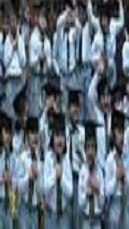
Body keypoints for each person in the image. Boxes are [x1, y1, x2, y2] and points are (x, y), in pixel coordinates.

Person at [88, 0, 124, 90]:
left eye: (105, 18)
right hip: (100, 66)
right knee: (92, 91)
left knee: (111, 89)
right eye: (102, 17)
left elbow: (122, 22)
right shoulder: (98, 27)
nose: (104, 20)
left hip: (111, 65)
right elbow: (90, 17)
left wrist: (120, 1)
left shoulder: (113, 25)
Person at [43, 112, 73, 229]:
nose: (60, 140)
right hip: (50, 214)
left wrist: (61, 178)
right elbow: (44, 188)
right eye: (56, 136)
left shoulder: (66, 160)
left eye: (62, 136)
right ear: (52, 139)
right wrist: (55, 175)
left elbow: (70, 192)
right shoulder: (48, 158)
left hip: (64, 213)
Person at [16, 115, 43, 229]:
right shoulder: (22, 158)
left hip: (36, 208)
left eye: (36, 132)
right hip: (24, 207)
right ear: (27, 136)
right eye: (32, 133)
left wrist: (38, 176)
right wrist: (29, 177)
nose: (35, 136)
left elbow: (42, 189)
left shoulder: (41, 160)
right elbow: (19, 187)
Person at [105, 109, 129, 229]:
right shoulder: (110, 159)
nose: (122, 136)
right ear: (113, 135)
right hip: (114, 204)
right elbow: (107, 191)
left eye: (123, 132)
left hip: (126, 202)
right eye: (119, 132)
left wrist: (126, 177)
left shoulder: (127, 157)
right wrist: (116, 177)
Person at [78, 120, 104, 229]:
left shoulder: (99, 171)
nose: (90, 152)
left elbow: (102, 203)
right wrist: (87, 194)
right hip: (86, 220)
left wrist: (97, 190)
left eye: (93, 148)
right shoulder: (82, 171)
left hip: (97, 220)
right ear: (84, 150)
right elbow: (80, 203)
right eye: (88, 147)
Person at [3, 3, 27, 121]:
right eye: (11, 22)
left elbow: (23, 61)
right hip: (10, 79)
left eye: (15, 21)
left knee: (19, 109)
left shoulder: (21, 40)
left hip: (18, 78)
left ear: (17, 23)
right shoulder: (6, 41)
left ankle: (18, 129)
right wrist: (12, 49)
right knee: (9, 109)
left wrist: (18, 48)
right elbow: (5, 62)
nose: (13, 24)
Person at [29, 2, 53, 118]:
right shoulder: (33, 39)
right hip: (36, 77)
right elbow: (31, 62)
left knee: (45, 107)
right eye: (41, 19)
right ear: (37, 20)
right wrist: (39, 58)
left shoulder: (47, 41)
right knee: (35, 108)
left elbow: (50, 63)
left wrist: (47, 61)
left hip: (44, 77)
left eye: (45, 20)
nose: (44, 22)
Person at [66, 85, 85, 229]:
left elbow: (88, 159)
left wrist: (81, 152)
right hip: (66, 178)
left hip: (79, 178)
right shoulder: (62, 131)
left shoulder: (83, 132)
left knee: (78, 219)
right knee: (67, 218)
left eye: (77, 106)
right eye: (73, 106)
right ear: (67, 109)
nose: (76, 109)